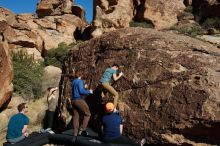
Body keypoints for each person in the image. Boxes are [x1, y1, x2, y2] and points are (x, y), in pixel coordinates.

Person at [72, 70, 93, 137]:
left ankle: (75, 133)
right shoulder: (80, 81)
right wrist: (89, 91)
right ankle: (82, 130)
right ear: (81, 75)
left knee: (76, 116)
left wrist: (84, 87)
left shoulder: (74, 81)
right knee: (88, 114)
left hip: (73, 101)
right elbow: (81, 91)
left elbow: (77, 90)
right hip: (79, 100)